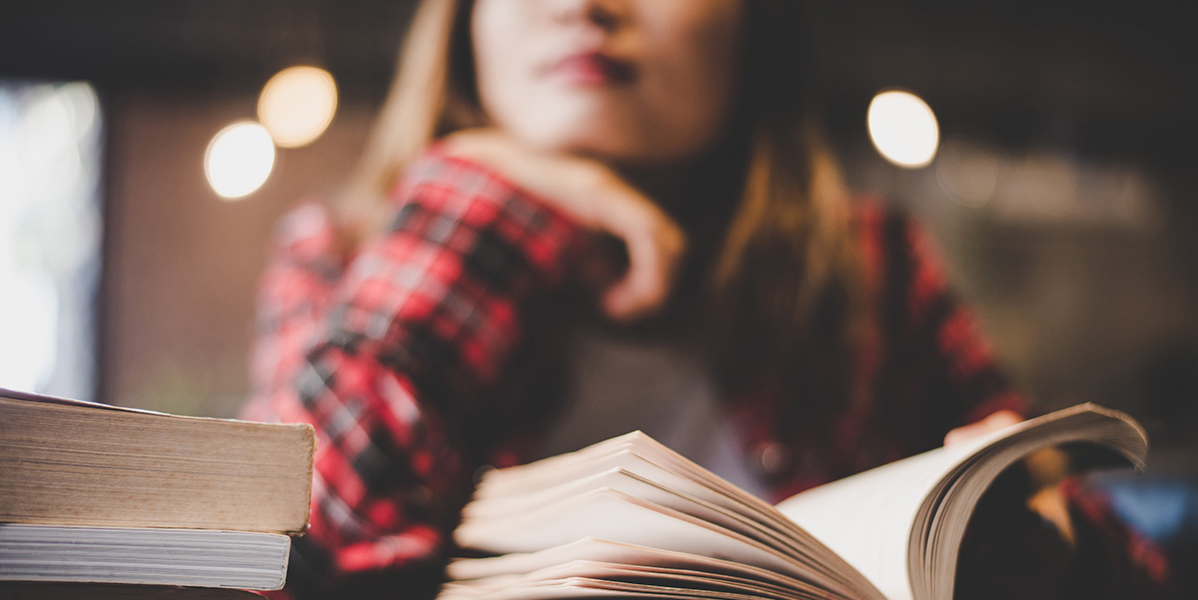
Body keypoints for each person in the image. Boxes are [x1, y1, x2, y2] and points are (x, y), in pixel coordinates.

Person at [240, 0, 1167, 598]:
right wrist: (480, 211)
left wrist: (1033, 538)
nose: (586, 8)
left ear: (755, 31)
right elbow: (290, 546)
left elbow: (1124, 568)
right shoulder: (342, 254)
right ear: (464, 27)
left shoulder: (873, 268)